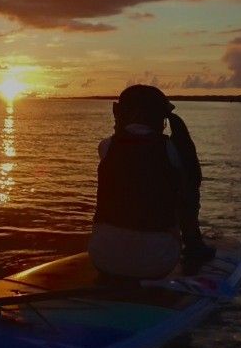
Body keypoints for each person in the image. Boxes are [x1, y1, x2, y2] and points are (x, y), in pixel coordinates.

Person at [88, 84, 215, 278]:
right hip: (157, 262)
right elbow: (189, 189)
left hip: (102, 258)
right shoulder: (172, 150)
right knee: (187, 192)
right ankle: (193, 244)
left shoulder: (106, 147)